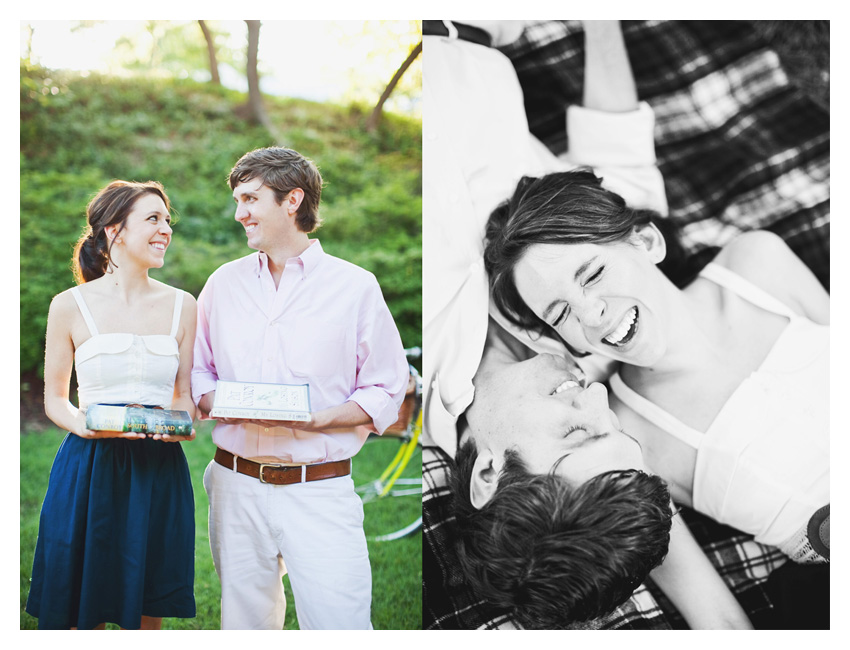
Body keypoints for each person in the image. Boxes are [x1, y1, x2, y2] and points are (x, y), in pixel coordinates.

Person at [484, 168, 829, 568]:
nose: (591, 316)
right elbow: (715, 615)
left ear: (645, 241)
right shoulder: (624, 433)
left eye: (593, 274)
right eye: (561, 314)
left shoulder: (757, 262)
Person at [192, 146, 409, 630]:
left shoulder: (355, 287)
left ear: (292, 200)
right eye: (237, 200)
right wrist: (220, 402)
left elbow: (386, 386)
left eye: (250, 199)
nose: (239, 213)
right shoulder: (223, 284)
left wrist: (320, 418)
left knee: (341, 625)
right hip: (234, 483)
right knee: (244, 626)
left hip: (320, 487)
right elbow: (197, 370)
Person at [26, 180, 198, 630]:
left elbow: (183, 393)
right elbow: (55, 400)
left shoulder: (184, 305)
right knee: (81, 605)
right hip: (90, 466)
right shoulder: (68, 305)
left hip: (157, 470)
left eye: (167, 220)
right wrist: (83, 426)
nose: (166, 229)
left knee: (147, 604)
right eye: (153, 219)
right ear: (114, 230)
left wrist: (181, 422)